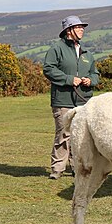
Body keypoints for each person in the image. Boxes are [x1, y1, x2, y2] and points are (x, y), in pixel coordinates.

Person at [43, 15, 99, 180]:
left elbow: (95, 73)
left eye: (82, 27)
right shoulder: (56, 49)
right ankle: (57, 169)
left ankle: (78, 168)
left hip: (84, 101)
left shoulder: (87, 53)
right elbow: (48, 69)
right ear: (69, 30)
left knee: (81, 135)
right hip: (63, 100)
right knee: (63, 134)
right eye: (78, 27)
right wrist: (68, 79)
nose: (82, 30)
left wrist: (91, 80)